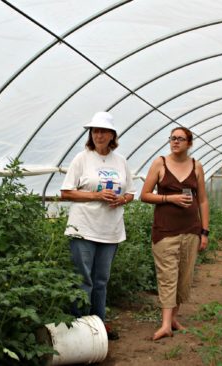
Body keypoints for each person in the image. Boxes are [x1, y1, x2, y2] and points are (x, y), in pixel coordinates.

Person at [60, 111, 136, 340]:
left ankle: (99, 327)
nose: (98, 135)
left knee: (101, 281)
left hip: (110, 230)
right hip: (83, 228)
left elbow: (131, 192)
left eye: (103, 131)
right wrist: (96, 196)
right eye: (95, 131)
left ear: (112, 135)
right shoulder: (81, 159)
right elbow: (66, 192)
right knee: (83, 280)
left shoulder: (120, 161)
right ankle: (79, 329)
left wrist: (121, 199)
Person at [140, 126, 210, 341]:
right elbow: (144, 195)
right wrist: (170, 199)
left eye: (180, 139)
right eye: (172, 138)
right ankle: (164, 325)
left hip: (190, 231)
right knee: (167, 276)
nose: (175, 142)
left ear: (189, 143)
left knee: (183, 278)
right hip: (165, 232)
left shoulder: (196, 166)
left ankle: (173, 320)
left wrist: (204, 231)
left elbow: (203, 200)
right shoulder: (159, 163)